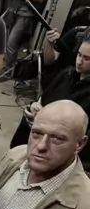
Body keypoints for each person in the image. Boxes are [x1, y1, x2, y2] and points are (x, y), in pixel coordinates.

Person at [10, 34, 90, 172]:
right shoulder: (67, 74)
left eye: (87, 58)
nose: (79, 61)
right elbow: (44, 98)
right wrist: (35, 107)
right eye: (79, 55)